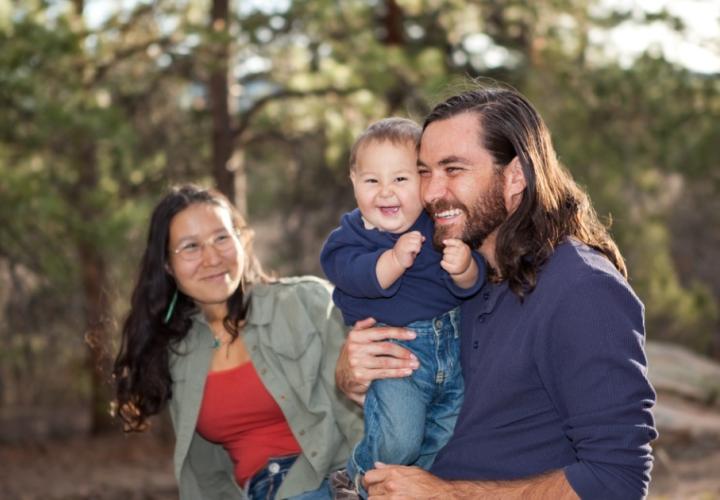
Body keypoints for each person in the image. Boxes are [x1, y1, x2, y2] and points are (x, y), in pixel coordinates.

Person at [335, 85, 658, 499]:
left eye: (453, 170)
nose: (431, 192)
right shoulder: (453, 273)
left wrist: (447, 496)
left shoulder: (582, 289)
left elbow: (618, 480)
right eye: (424, 171)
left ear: (515, 177)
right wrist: (354, 374)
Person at [113, 184, 363, 500]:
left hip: (335, 483)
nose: (211, 258)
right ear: (167, 266)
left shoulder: (307, 302)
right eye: (190, 247)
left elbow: (366, 412)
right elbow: (206, 476)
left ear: (241, 240)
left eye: (221, 238)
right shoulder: (178, 353)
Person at [320, 118, 484, 496]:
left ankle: (399, 490)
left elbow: (470, 286)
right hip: (399, 360)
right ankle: (358, 475)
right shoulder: (350, 238)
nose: (385, 193)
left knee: (446, 437)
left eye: (401, 179)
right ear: (353, 181)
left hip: (452, 352)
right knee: (400, 440)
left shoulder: (438, 228)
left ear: (424, 183)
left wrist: (464, 268)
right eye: (372, 181)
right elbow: (357, 276)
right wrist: (393, 259)